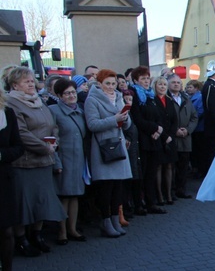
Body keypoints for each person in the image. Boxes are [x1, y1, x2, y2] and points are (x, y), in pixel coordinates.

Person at [5, 66, 66, 256]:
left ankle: (37, 235)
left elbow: (52, 124)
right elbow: (21, 133)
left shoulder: (38, 101)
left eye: (32, 81)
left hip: (44, 160)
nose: (31, 84)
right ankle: (22, 239)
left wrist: (54, 140)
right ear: (15, 85)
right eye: (26, 81)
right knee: (25, 204)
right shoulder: (11, 103)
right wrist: (43, 147)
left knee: (42, 201)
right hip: (25, 162)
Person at [85, 69, 132, 238]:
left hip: (118, 145)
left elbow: (127, 123)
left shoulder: (119, 97)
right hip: (103, 147)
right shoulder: (92, 100)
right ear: (100, 84)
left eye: (114, 83)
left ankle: (114, 220)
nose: (111, 87)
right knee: (106, 187)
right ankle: (105, 222)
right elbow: (92, 124)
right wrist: (115, 119)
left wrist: (125, 119)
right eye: (108, 84)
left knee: (118, 187)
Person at [48, 78, 88, 245]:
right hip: (63, 160)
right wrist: (56, 162)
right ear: (59, 95)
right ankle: (62, 232)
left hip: (78, 160)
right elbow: (52, 139)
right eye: (67, 93)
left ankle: (72, 229)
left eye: (73, 92)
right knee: (64, 197)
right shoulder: (53, 111)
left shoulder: (79, 110)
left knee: (75, 196)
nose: (71, 96)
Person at [0, 85, 27, 271]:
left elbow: (18, 146)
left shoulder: (6, 112)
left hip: (3, 178)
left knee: (6, 231)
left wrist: (2, 155)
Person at [130, 66, 168, 214]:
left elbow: (158, 116)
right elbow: (137, 118)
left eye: (147, 78)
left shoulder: (150, 96)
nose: (146, 81)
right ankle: (139, 204)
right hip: (142, 139)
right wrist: (154, 128)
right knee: (141, 173)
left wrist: (158, 130)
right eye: (142, 79)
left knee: (151, 173)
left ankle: (151, 202)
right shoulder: (134, 95)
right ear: (135, 80)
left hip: (154, 139)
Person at [167, 74, 198, 199]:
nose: (176, 84)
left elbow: (194, 117)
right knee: (171, 166)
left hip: (185, 137)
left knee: (183, 165)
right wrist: (174, 130)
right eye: (173, 82)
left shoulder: (186, 99)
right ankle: (171, 191)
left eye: (178, 82)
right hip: (172, 137)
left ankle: (181, 189)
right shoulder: (167, 98)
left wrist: (188, 130)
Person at [151, 76, 179, 205]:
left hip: (170, 138)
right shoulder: (152, 100)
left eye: (164, 85)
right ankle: (159, 195)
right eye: (160, 84)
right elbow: (154, 120)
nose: (162, 87)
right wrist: (164, 136)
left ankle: (168, 194)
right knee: (158, 167)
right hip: (158, 137)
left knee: (169, 166)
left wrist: (170, 136)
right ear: (155, 86)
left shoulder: (169, 101)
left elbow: (174, 120)